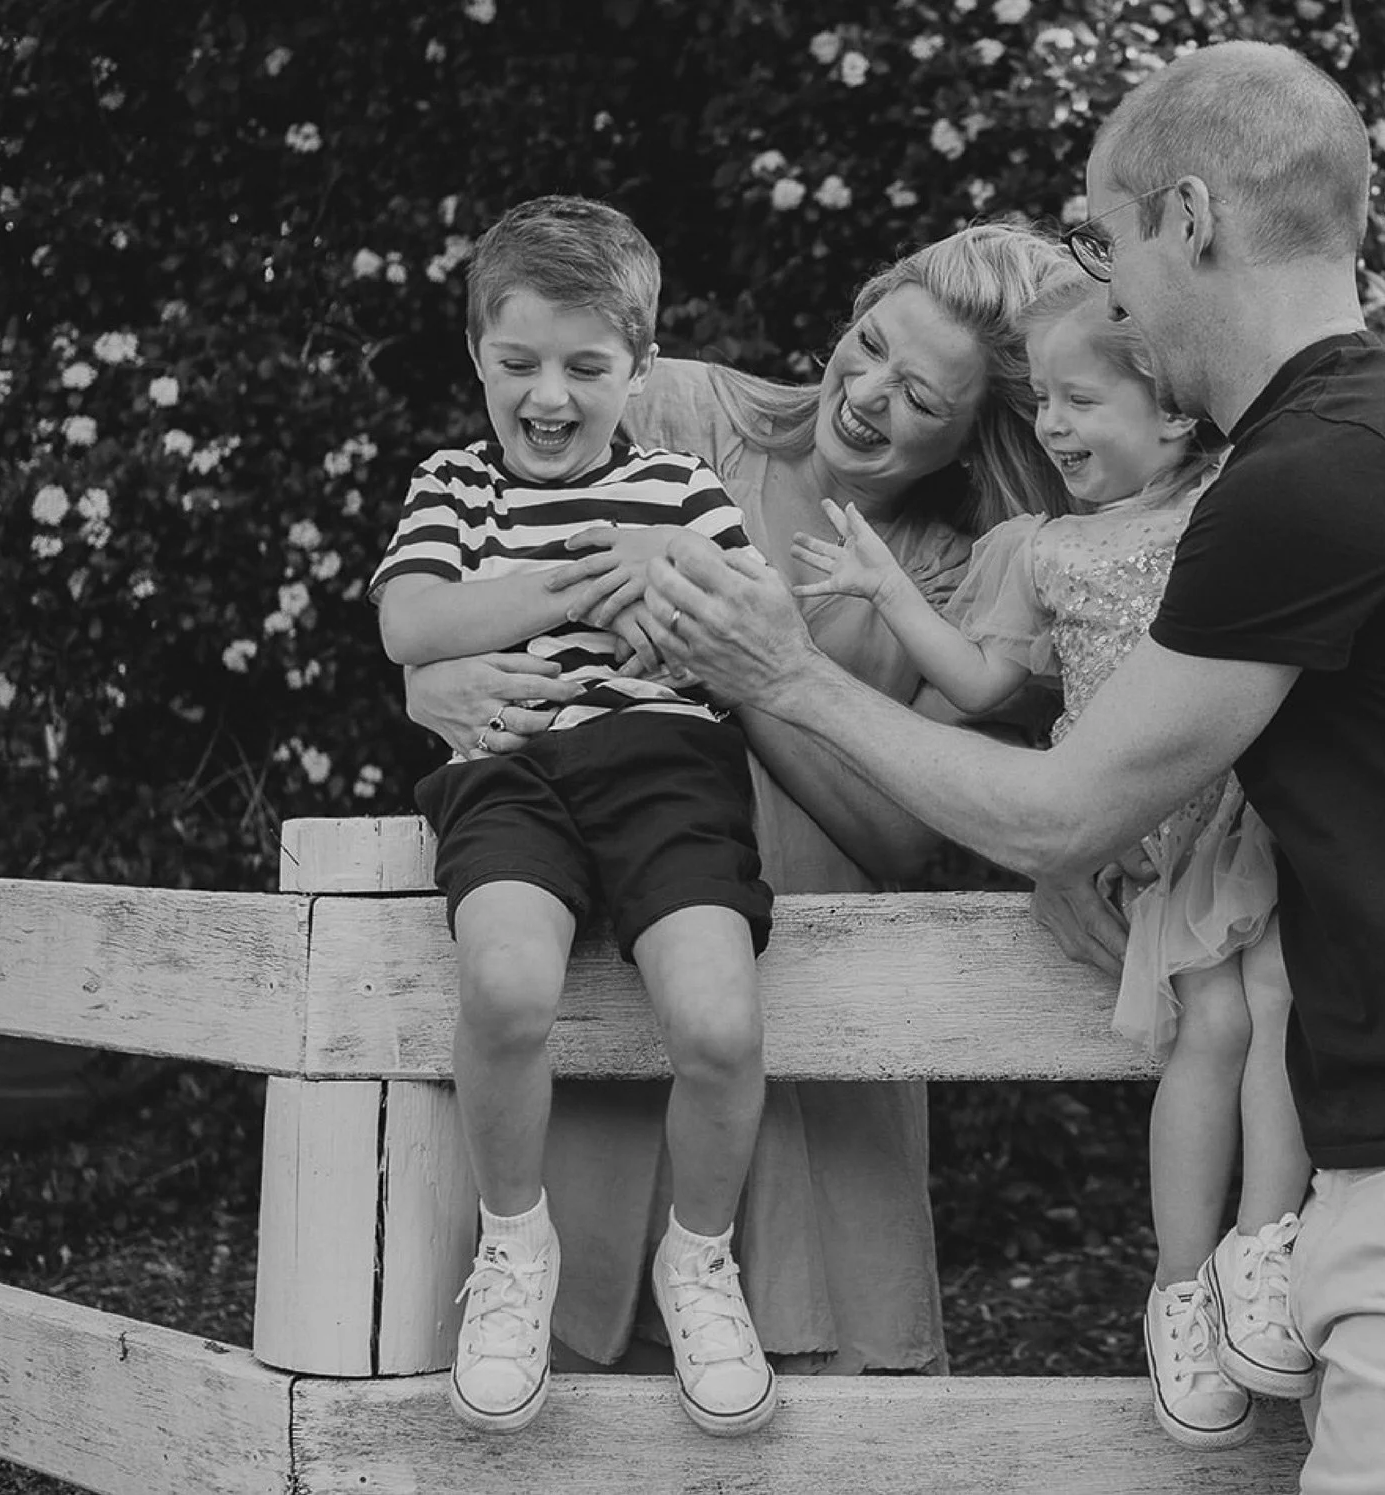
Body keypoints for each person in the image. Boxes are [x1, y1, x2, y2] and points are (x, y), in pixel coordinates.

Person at [639, 41, 1385, 1495]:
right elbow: (1166, 789)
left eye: (1103, 234)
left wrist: (784, 674)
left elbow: (1069, 804)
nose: (1105, 288)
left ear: (1190, 218)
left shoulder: (1322, 474)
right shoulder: (1355, 446)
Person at [398, 220, 1077, 1381]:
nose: (863, 395)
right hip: (602, 950)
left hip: (807, 998)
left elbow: (905, 837)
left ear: (978, 431)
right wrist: (430, 683)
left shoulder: (969, 568)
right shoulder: (686, 411)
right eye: (865, 346)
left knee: (808, 1396)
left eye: (917, 396)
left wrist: (760, 678)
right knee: (565, 1383)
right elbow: (487, 567)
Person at [788, 272, 1315, 1445]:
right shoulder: (1040, 551)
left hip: (1243, 815)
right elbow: (978, 686)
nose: (1054, 428)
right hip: (1138, 835)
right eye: (1044, 412)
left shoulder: (1241, 495)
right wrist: (885, 589)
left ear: (1176, 414)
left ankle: (1263, 1252)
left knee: (1280, 1002)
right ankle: (1180, 1283)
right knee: (1214, 1027)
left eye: (1080, 404)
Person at [369, 194, 779, 1438]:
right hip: (512, 764)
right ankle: (513, 1249)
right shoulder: (451, 484)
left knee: (716, 1021)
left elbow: (749, 634)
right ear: (478, 359)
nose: (550, 396)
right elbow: (412, 626)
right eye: (520, 364)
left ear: (639, 368)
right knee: (503, 992)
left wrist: (673, 605)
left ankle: (698, 1262)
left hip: (665, 768)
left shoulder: (684, 488)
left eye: (587, 367)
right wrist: (575, 581)